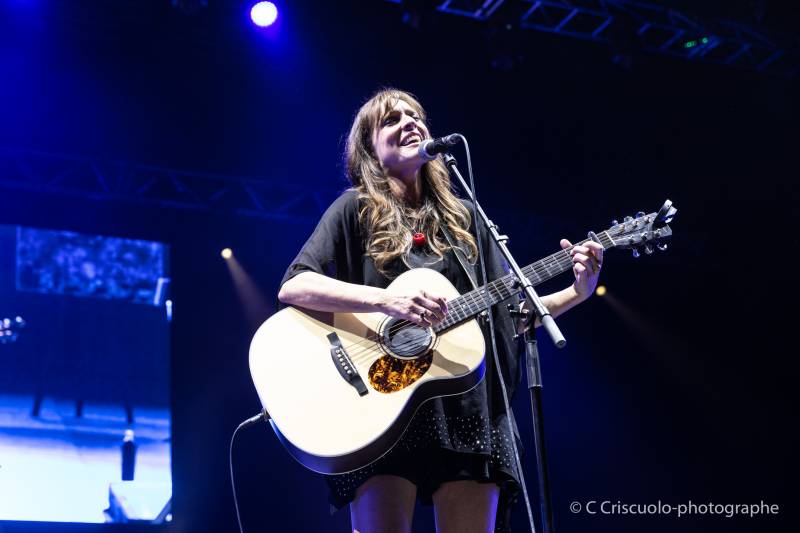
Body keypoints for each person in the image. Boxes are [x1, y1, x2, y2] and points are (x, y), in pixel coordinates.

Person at [277, 88, 603, 533]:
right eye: (393, 119)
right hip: (381, 406)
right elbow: (296, 285)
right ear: (371, 148)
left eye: (416, 115)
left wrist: (576, 293)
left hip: (467, 408)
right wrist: (387, 300)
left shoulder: (467, 221)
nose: (410, 122)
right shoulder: (353, 209)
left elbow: (511, 314)